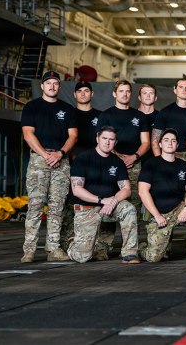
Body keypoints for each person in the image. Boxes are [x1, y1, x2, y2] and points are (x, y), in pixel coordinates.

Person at [20, 71, 77, 262]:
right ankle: (29, 250)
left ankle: (53, 248)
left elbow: (73, 136)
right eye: (48, 83)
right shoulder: (32, 107)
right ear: (42, 86)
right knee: (35, 206)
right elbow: (28, 134)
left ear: (59, 87)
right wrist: (45, 155)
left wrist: (60, 154)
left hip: (61, 160)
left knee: (57, 207)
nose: (52, 86)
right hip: (39, 159)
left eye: (56, 83)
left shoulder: (68, 109)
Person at [139, 129, 186, 263]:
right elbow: (142, 191)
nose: (170, 143)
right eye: (166, 140)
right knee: (153, 258)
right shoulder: (151, 164)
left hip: (179, 208)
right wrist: (157, 215)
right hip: (159, 212)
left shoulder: (184, 166)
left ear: (177, 146)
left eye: (173, 141)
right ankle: (141, 248)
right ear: (160, 144)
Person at [67, 126, 139, 264]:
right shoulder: (83, 159)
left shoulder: (117, 162)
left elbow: (126, 189)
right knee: (82, 258)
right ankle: (73, 241)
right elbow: (77, 190)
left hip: (109, 208)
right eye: (104, 138)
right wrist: (102, 200)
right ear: (97, 139)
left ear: (115, 143)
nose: (107, 142)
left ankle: (130, 253)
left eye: (111, 139)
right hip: (87, 209)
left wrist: (113, 201)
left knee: (128, 208)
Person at [97, 80, 150, 257]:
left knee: (133, 206)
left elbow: (146, 143)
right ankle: (103, 247)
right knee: (109, 203)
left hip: (134, 165)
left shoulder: (139, 116)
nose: (125, 94)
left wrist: (134, 157)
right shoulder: (106, 115)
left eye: (128, 91)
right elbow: (102, 141)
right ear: (114, 94)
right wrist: (118, 157)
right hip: (109, 164)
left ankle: (130, 248)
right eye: (121, 91)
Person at [60, 80, 101, 252]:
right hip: (72, 164)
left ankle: (95, 243)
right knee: (69, 204)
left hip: (95, 167)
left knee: (95, 203)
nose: (83, 93)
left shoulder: (101, 116)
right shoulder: (69, 114)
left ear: (92, 94)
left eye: (87, 90)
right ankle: (66, 241)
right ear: (75, 95)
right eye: (80, 91)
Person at [152, 78, 186, 161]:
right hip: (171, 157)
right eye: (181, 87)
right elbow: (155, 142)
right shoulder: (165, 112)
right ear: (175, 90)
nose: (184, 90)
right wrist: (160, 162)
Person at [137, 83, 159, 164]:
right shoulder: (131, 116)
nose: (148, 96)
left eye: (151, 93)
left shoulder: (161, 117)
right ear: (139, 97)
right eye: (145, 93)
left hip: (155, 161)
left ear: (155, 98)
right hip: (135, 163)